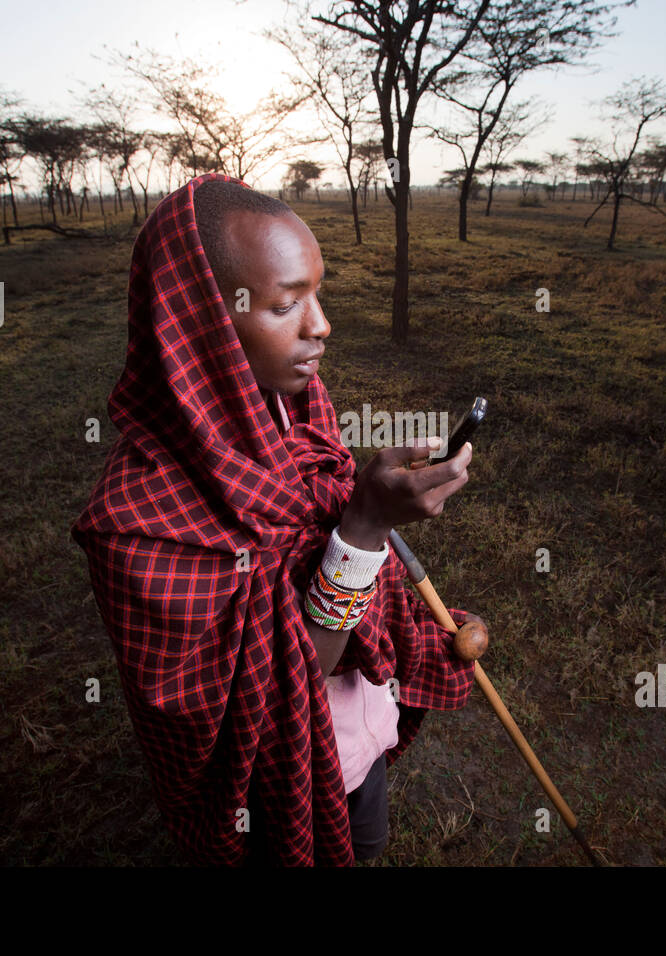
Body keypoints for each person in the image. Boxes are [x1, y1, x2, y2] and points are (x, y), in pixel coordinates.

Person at [71, 174, 483, 866]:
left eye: (317, 294)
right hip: (273, 783)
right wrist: (362, 531)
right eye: (287, 304)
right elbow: (258, 709)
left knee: (366, 841)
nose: (321, 325)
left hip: (357, 735)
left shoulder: (296, 409)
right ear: (200, 321)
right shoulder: (136, 525)